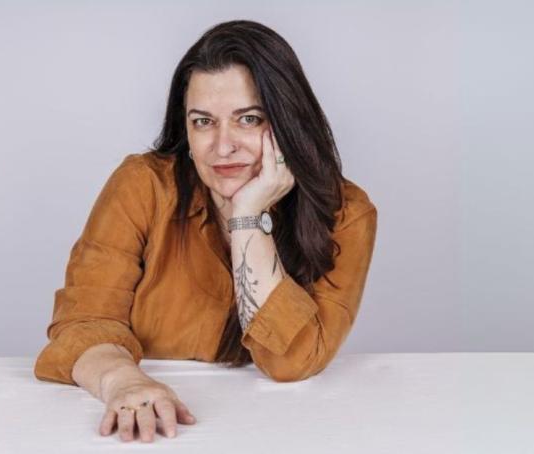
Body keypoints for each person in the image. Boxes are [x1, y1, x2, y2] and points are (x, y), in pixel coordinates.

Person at [33, 19, 378, 444]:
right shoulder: (142, 186)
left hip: (287, 434)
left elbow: (291, 362)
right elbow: (84, 323)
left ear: (289, 122)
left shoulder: (345, 213)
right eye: (203, 122)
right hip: (154, 431)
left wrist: (248, 216)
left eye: (248, 119)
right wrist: (124, 383)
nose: (222, 145)